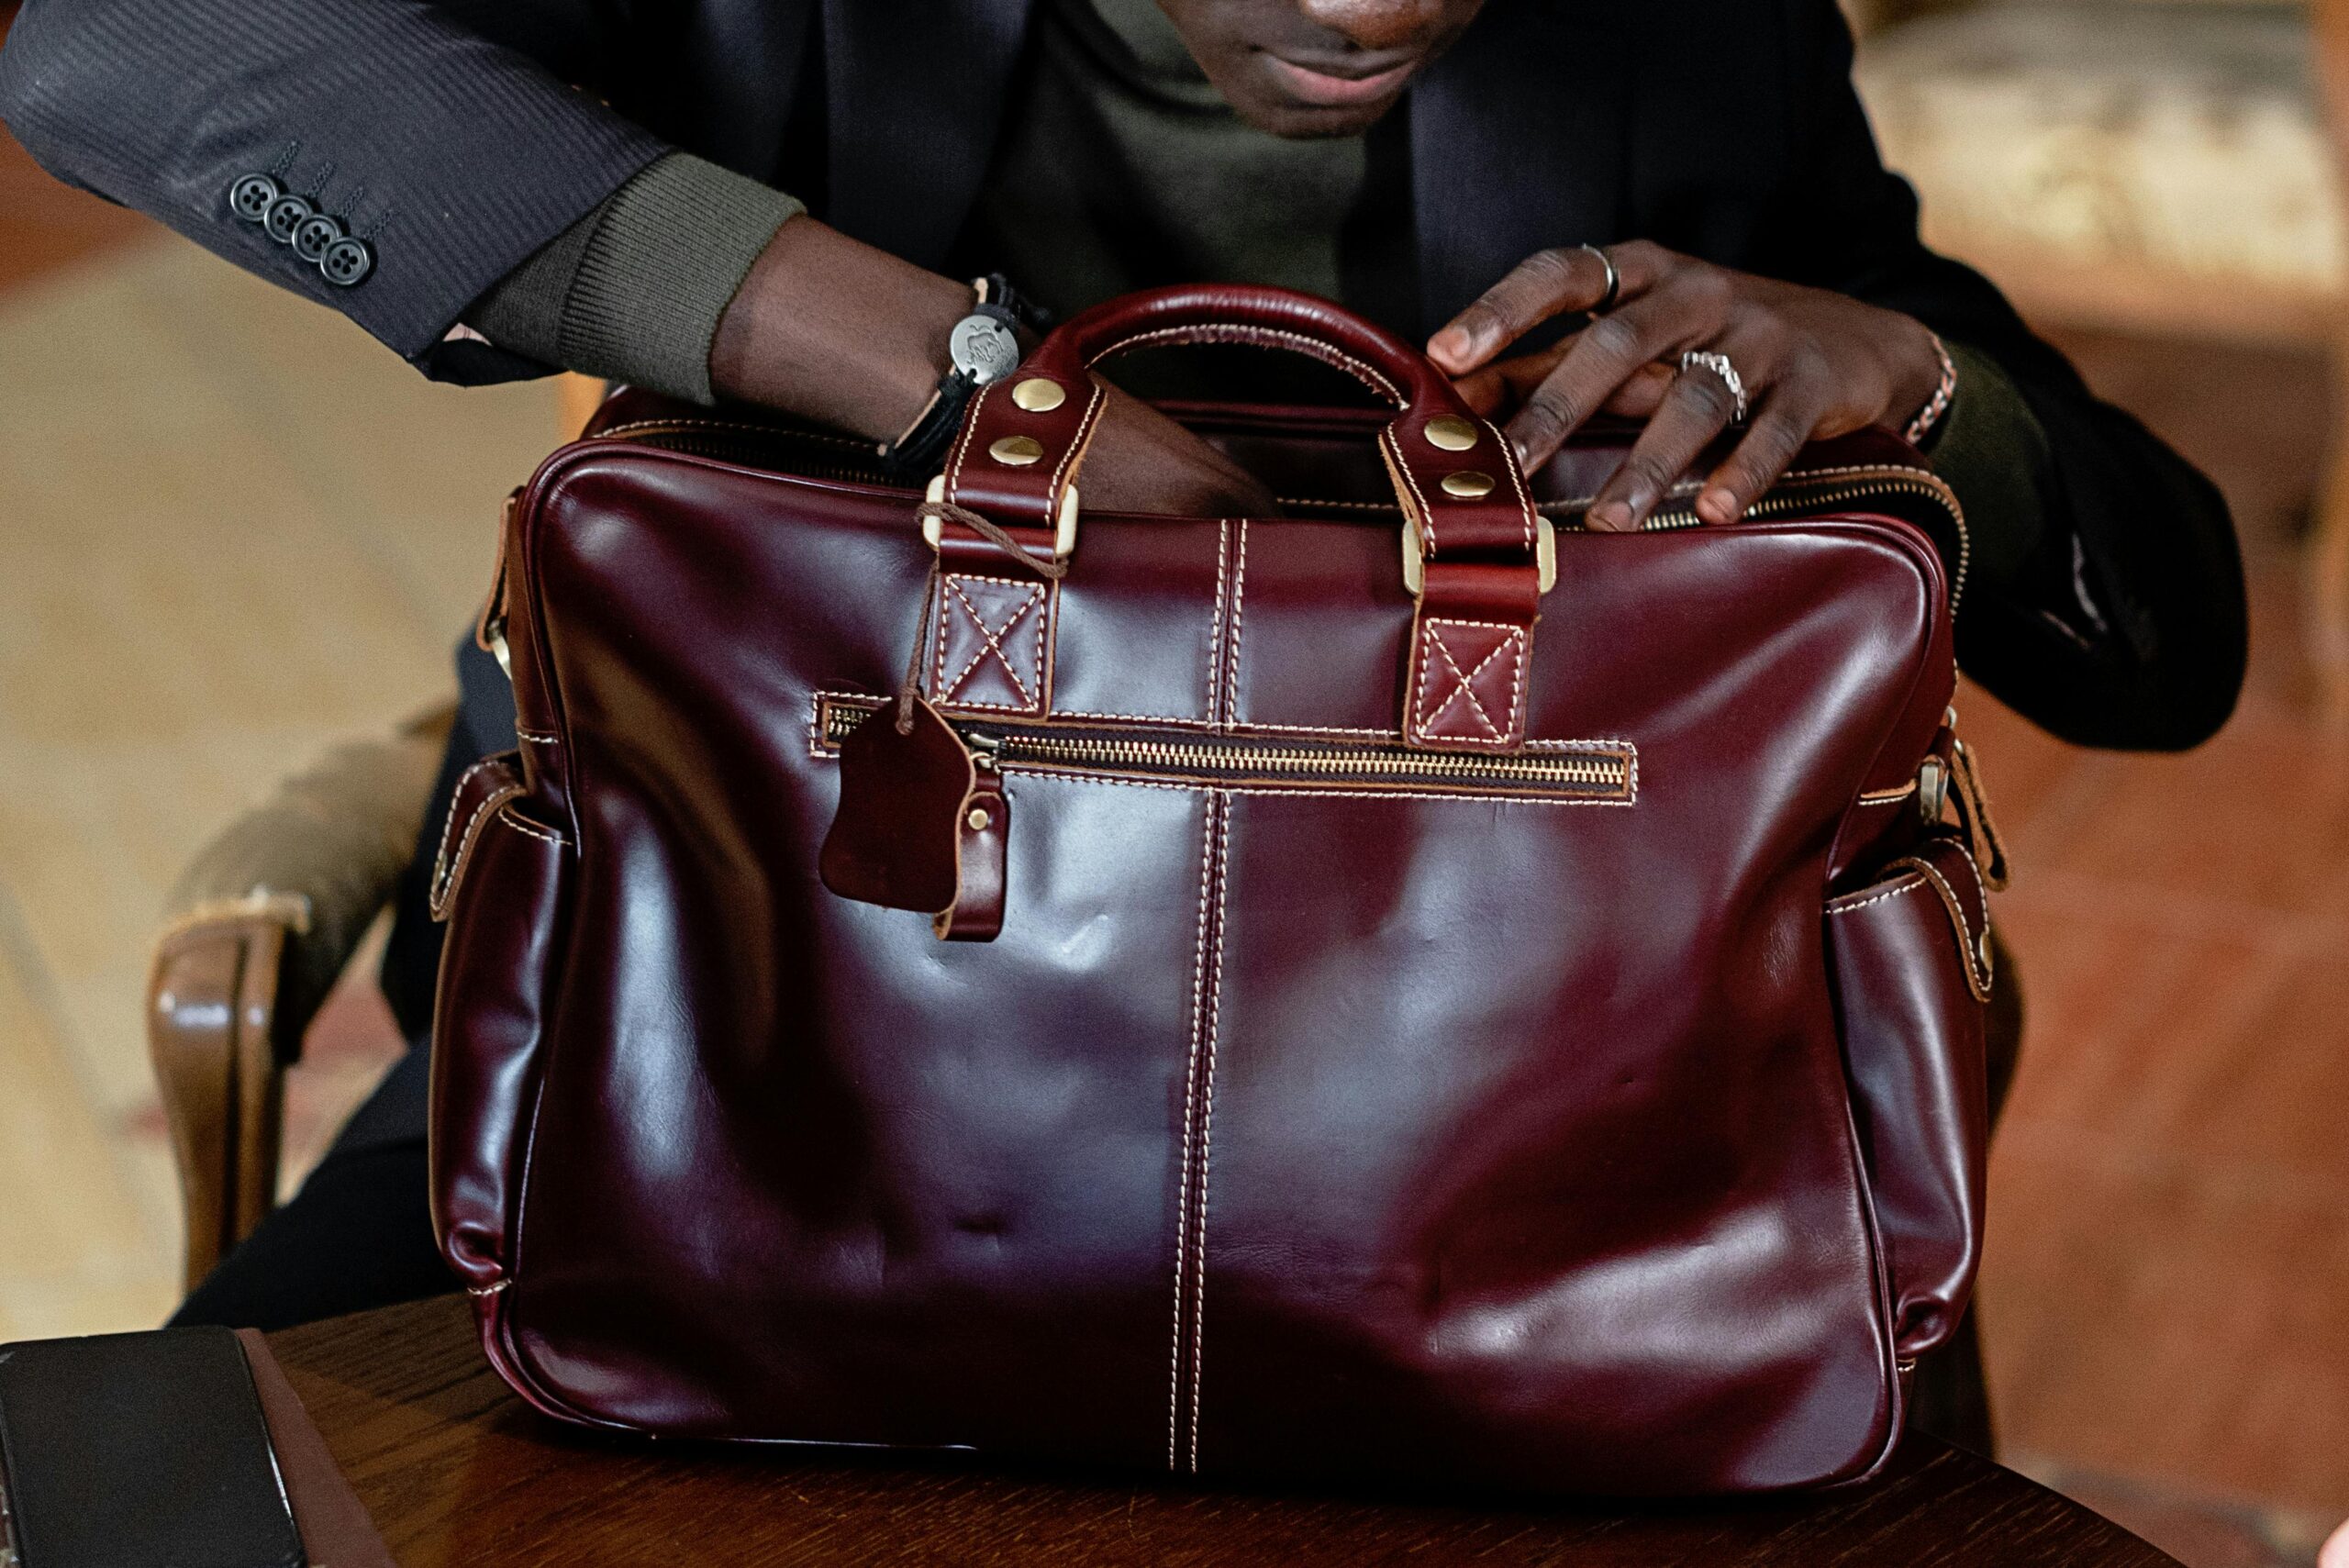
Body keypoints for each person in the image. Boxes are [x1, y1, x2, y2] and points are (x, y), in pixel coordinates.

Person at [0, 0, 2243, 1455]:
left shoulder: (1670, 36)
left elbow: (2165, 645)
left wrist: (1913, 380)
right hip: (720, 1055)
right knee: (149, 1490)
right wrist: (937, 370)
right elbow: (133, 46)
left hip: (1541, 1164)